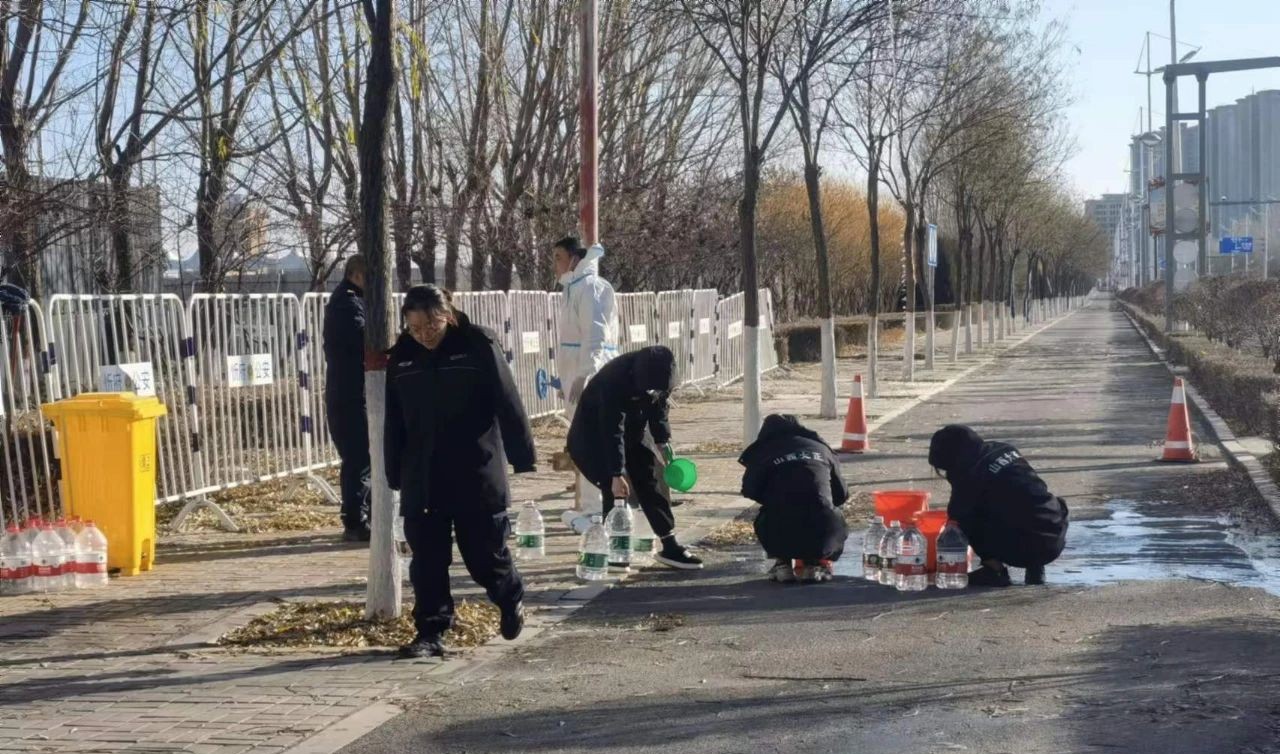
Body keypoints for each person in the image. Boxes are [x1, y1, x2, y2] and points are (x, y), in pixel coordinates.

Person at [385, 285, 538, 658]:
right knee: (427, 560)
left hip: (474, 468)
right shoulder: (402, 357)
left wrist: (522, 455)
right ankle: (431, 631)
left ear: (448, 316)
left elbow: (507, 400)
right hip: (423, 473)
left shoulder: (476, 345)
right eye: (415, 328)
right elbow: (394, 419)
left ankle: (509, 595)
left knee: (483, 554)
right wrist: (394, 470)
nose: (424, 335)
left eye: (431, 326)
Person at [567, 345, 703, 570]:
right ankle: (615, 551)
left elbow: (660, 408)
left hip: (634, 430)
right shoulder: (614, 379)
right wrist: (616, 473)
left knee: (649, 480)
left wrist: (662, 440)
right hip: (594, 436)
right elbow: (612, 430)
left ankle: (670, 544)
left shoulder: (662, 376)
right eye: (650, 389)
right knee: (614, 490)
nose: (653, 392)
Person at [927, 425, 1069, 587]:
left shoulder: (969, 474)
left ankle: (995, 570)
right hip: (1055, 536)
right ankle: (1036, 567)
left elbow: (957, 516)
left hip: (1022, 550)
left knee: (964, 520)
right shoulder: (1005, 449)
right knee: (1033, 504)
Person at [553, 237, 618, 528]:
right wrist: (566, 379)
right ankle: (591, 508)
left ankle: (597, 510)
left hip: (591, 376)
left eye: (558, 257)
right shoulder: (574, 288)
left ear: (574, 258)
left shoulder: (591, 287)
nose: (555, 265)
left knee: (591, 444)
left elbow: (596, 337)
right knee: (583, 444)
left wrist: (585, 375)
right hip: (577, 376)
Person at [739, 414, 849, 583]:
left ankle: (782, 564)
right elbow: (842, 494)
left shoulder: (764, 451)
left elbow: (750, 490)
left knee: (770, 513)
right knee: (827, 510)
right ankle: (814, 565)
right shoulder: (821, 448)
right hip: (825, 528)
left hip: (779, 529)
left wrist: (774, 495)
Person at [323, 255, 370, 542]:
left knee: (362, 456)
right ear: (357, 276)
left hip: (351, 391)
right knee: (358, 456)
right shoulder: (347, 305)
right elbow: (365, 339)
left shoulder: (351, 301)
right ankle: (355, 519)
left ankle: (362, 514)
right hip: (350, 393)